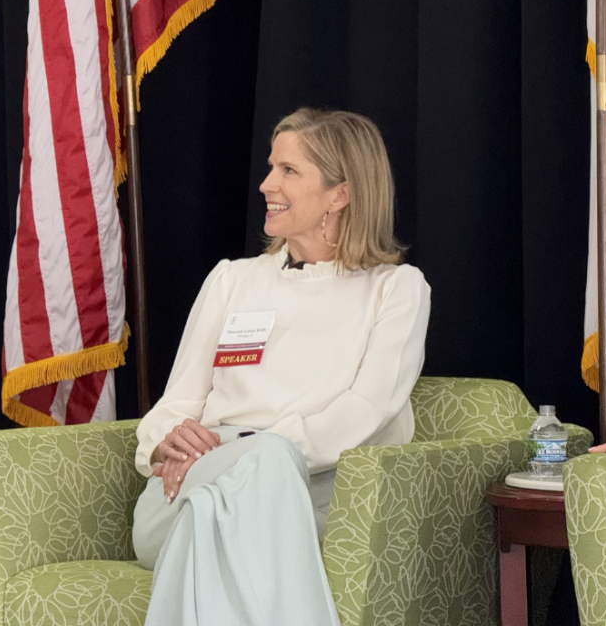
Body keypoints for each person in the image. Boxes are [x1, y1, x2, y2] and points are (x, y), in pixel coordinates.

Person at [132, 108, 431, 626]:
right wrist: (166, 444)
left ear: (341, 193)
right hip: (184, 486)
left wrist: (255, 450)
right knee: (237, 487)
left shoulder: (396, 290)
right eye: (272, 167)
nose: (267, 184)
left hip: (306, 498)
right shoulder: (232, 280)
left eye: (289, 170)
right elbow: (175, 405)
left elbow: (367, 410)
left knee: (256, 475)